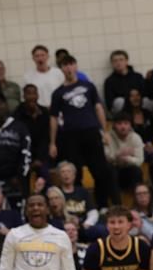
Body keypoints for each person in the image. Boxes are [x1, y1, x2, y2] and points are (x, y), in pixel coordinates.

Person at [50, 54, 118, 209]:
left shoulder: (88, 86)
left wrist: (105, 131)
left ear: (76, 66)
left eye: (71, 64)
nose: (68, 68)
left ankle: (103, 206)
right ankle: (81, 207)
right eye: (64, 65)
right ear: (61, 69)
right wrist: (53, 143)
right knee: (76, 173)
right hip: (71, 136)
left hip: (91, 132)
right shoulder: (58, 93)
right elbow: (53, 118)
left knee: (100, 170)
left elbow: (99, 107)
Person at [14, 84, 51, 182]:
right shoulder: (17, 114)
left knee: (44, 176)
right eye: (28, 94)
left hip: (42, 155)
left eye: (34, 94)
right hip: (23, 156)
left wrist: (39, 158)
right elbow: (18, 139)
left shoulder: (44, 112)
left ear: (38, 96)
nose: (31, 97)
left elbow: (46, 138)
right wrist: (28, 160)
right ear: (24, 96)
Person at [105, 113, 145, 192]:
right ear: (114, 125)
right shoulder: (107, 137)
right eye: (119, 124)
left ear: (130, 125)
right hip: (112, 170)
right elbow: (106, 157)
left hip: (127, 170)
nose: (123, 127)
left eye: (126, 123)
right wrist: (118, 154)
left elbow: (140, 160)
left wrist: (127, 158)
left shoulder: (136, 138)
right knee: (110, 171)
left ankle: (136, 198)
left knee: (137, 171)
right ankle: (116, 202)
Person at [103, 50, 145, 115]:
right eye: (115, 61)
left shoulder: (138, 76)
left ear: (126, 61)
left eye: (121, 60)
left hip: (139, 106)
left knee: (149, 100)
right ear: (112, 63)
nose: (118, 63)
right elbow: (109, 104)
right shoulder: (109, 81)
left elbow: (144, 93)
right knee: (119, 101)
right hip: (122, 112)